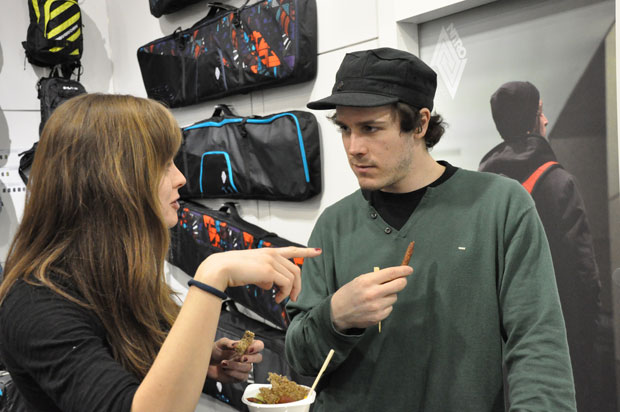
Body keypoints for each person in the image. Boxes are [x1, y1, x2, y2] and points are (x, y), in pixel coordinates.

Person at [284, 47, 576, 411]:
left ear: (420, 124)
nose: (353, 148)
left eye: (370, 128)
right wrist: (336, 316)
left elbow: (539, 349)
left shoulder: (500, 206)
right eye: (345, 129)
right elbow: (299, 360)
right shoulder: (333, 224)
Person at [0, 93, 320, 412]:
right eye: (163, 165)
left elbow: (124, 365)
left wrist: (200, 361)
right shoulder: (35, 304)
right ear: (111, 181)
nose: (181, 178)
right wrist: (212, 277)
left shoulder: (112, 274)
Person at [479, 81, 602, 411]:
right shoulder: (558, 183)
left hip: (500, 337)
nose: (545, 120)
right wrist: (589, 335)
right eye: (541, 111)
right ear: (533, 120)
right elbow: (583, 273)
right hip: (557, 334)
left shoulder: (482, 189)